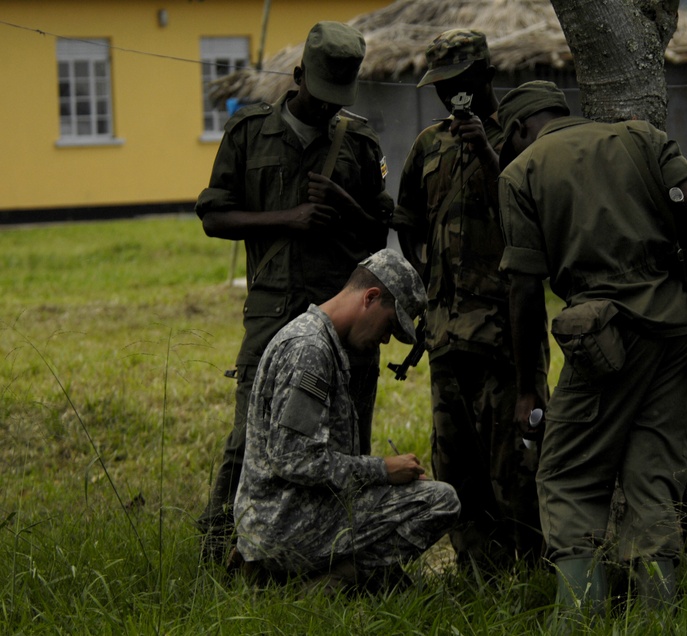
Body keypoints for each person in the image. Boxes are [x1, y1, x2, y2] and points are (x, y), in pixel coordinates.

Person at [495, 81, 687, 618]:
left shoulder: (520, 172)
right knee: (651, 475)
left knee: (566, 476)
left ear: (515, 130)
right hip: (675, 331)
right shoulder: (641, 136)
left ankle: (579, 617)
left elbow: (524, 290)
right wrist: (685, 262)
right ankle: (656, 617)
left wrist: (528, 386)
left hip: (604, 339)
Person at [194, 21, 393, 564]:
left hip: (342, 321)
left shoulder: (359, 143)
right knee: (248, 438)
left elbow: (378, 234)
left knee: (346, 437)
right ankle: (220, 548)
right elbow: (213, 216)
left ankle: (339, 552)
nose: (329, 108)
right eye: (320, 94)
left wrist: (342, 205)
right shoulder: (249, 133)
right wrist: (289, 217)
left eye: (338, 99)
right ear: (299, 74)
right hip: (272, 313)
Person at [391, 30, 548, 570]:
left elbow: (527, 214)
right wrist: (424, 268)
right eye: (440, 87)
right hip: (445, 336)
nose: (449, 97)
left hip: (506, 338)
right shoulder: (428, 144)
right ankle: (476, 574)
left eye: (458, 85)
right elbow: (406, 219)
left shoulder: (521, 137)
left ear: (484, 78)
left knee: (516, 468)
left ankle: (532, 572)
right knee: (456, 467)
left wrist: (485, 148)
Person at [233, 248, 460, 591]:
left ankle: (339, 577)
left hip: (282, 518)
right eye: (388, 325)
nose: (385, 339)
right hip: (284, 526)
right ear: (370, 297)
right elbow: (293, 459)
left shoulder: (318, 339)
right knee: (440, 501)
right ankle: (323, 584)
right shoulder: (309, 349)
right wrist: (382, 470)